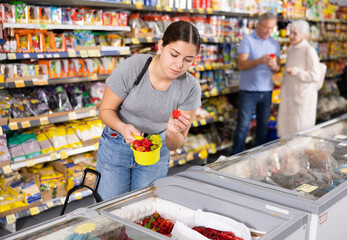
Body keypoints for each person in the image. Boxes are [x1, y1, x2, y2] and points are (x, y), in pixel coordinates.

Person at [96, 21, 202, 201]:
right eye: (174, 54)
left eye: (188, 60)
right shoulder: (135, 67)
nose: (179, 64)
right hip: (116, 146)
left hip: (156, 151)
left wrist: (170, 131)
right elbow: (105, 109)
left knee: (144, 210)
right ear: (161, 46)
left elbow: (175, 144)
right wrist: (122, 127)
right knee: (108, 209)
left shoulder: (190, 89)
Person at [231, 13, 280, 155]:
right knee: (243, 126)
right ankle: (235, 156)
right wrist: (259, 61)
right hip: (248, 90)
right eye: (265, 27)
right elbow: (241, 65)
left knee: (263, 126)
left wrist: (273, 65)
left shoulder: (274, 43)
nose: (268, 31)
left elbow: (278, 68)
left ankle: (260, 157)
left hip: (267, 90)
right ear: (258, 25)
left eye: (271, 28)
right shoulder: (247, 40)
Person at [277, 20, 321, 137]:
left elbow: (315, 75)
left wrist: (297, 71)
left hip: (302, 100)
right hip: (289, 97)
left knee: (299, 133)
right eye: (290, 32)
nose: (291, 36)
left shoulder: (309, 50)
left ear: (304, 35)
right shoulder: (291, 49)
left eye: (295, 33)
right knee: (286, 132)